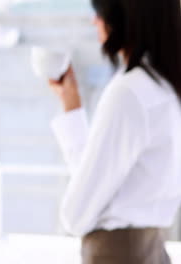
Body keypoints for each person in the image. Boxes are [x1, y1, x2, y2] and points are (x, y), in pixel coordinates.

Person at [48, 0, 181, 263]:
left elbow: (76, 213)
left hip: (116, 253)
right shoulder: (167, 88)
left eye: (100, 11)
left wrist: (72, 112)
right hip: (153, 250)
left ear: (124, 16)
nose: (94, 20)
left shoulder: (129, 93)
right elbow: (99, 182)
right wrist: (71, 106)